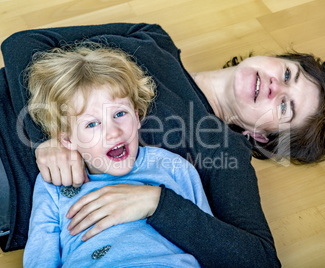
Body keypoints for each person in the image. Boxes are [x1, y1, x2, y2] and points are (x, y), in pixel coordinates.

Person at [0, 22, 325, 267]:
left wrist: (157, 203)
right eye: (287, 73)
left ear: (263, 137)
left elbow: (259, 260)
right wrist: (46, 136)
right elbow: (26, 42)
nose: (275, 86)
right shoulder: (153, 38)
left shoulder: (222, 152)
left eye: (285, 105)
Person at [23, 44, 212, 267]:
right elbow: (40, 255)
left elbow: (207, 237)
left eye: (120, 114)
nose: (113, 132)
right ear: (68, 140)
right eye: (92, 124)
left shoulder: (174, 167)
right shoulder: (53, 183)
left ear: (137, 116)